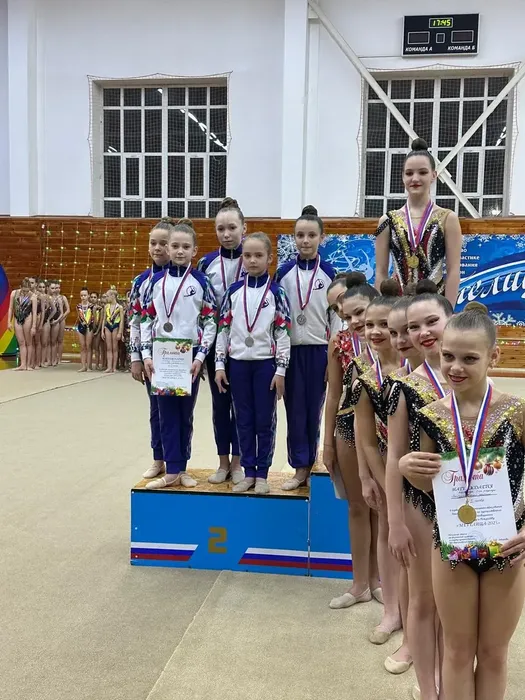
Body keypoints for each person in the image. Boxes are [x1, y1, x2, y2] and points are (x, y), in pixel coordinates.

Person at [400, 306, 525, 700]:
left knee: (493, 653)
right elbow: (429, 486)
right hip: (451, 544)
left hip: (507, 547)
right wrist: (408, 469)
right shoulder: (430, 416)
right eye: (448, 356)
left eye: (469, 358)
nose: (455, 367)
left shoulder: (517, 412)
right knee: (456, 651)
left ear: (493, 356)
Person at [386, 280, 453, 700]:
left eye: (431, 322)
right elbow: (394, 456)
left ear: (451, 319)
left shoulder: (470, 377)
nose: (423, 332)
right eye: (414, 327)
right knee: (425, 600)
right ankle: (428, 688)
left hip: (467, 503)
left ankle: (451, 679)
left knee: (455, 605)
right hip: (420, 503)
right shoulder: (404, 387)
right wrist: (395, 523)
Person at [141, 220, 217, 490]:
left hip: (189, 355)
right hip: (162, 354)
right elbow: (146, 319)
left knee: (185, 413)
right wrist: (146, 354)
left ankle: (182, 468)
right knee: (166, 414)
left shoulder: (201, 282)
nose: (180, 251)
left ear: (195, 250)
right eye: (175, 246)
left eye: (186, 247)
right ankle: (171, 469)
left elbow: (211, 320)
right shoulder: (155, 282)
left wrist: (200, 356)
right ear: (168, 249)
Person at [215, 232, 291, 494]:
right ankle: (248, 472)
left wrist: (281, 370)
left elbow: (283, 333)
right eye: (247, 255)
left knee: (264, 421)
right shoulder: (233, 292)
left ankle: (262, 474)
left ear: (269, 258)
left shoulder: (277, 293)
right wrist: (220, 365)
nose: (252, 260)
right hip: (238, 364)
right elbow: (223, 330)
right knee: (243, 420)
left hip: (265, 365)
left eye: (258, 255)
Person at [324, 275, 382, 610]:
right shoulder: (340, 343)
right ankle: (360, 583)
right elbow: (333, 394)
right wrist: (327, 443)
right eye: (347, 316)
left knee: (382, 507)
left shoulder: (390, 336)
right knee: (358, 506)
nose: (355, 321)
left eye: (360, 312)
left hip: (386, 427)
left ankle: (380, 580)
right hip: (348, 426)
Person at [353, 281, 405, 649]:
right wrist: (370, 478)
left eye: (383, 324)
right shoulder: (364, 373)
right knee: (387, 531)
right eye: (369, 324)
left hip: (420, 467)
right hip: (385, 465)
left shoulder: (417, 367)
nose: (374, 331)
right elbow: (366, 436)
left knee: (417, 539)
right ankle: (391, 611)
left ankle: (419, 611)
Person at [275, 205, 339, 490]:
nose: (305, 240)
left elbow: (337, 319)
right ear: (294, 237)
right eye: (300, 235)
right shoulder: (283, 273)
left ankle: (311, 464)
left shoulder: (330, 273)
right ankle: (299, 467)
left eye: (311, 235)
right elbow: (277, 316)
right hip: (290, 351)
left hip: (318, 351)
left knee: (314, 410)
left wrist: (332, 358)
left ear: (321, 238)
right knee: (295, 411)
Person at [375, 138, 462, 309]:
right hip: (396, 306)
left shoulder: (448, 218)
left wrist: (448, 311)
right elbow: (380, 271)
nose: (415, 178)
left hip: (434, 305)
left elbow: (453, 271)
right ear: (402, 177)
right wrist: (380, 311)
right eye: (409, 173)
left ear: (433, 175)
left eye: (422, 172)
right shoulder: (386, 221)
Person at [198, 197, 245, 484]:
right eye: (220, 229)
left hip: (245, 345)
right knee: (220, 406)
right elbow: (200, 308)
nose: (226, 234)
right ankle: (222, 461)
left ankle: (238, 463)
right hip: (216, 344)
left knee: (240, 406)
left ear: (243, 228)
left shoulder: (252, 257)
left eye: (232, 228)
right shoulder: (206, 263)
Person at [129, 218, 172, 480]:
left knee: (179, 413)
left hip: (177, 355)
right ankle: (158, 458)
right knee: (156, 409)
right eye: (153, 243)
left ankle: (178, 462)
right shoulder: (140, 281)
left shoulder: (183, 279)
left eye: (163, 243)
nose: (157, 248)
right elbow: (135, 321)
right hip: (150, 356)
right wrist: (136, 357)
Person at [7, 277, 38, 371]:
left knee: (28, 342)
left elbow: (34, 312)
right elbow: (10, 308)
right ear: (20, 287)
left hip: (28, 318)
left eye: (27, 290)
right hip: (17, 318)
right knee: (21, 342)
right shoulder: (14, 293)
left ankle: (28, 365)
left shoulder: (33, 296)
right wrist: (9, 322)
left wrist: (33, 326)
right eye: (24, 290)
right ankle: (23, 364)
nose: (25, 292)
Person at [102, 288, 124, 374]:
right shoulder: (106, 306)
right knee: (108, 348)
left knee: (115, 348)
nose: (106, 298)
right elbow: (104, 319)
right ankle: (109, 367)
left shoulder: (120, 307)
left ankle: (114, 367)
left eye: (107, 296)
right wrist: (102, 331)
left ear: (113, 296)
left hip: (115, 326)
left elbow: (121, 321)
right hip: (107, 326)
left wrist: (120, 333)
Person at [76, 288, 93, 372]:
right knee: (82, 346)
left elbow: (93, 317)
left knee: (88, 346)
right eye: (81, 295)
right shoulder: (78, 306)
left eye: (85, 295)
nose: (83, 297)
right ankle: (83, 366)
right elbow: (79, 317)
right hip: (81, 326)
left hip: (89, 326)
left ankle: (89, 366)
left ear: (88, 296)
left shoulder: (92, 306)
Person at [48, 280, 63, 366]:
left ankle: (54, 359)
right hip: (47, 321)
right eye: (52, 288)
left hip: (55, 321)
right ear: (48, 288)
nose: (54, 290)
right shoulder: (46, 298)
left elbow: (61, 313)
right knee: (47, 342)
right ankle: (48, 359)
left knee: (53, 342)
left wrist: (57, 321)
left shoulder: (59, 300)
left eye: (55, 288)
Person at [55, 282, 71, 363]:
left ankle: (59, 359)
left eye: (58, 287)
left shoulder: (63, 297)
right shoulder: (49, 297)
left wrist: (62, 317)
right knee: (53, 340)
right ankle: (53, 358)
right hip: (53, 319)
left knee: (60, 340)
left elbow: (68, 310)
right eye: (56, 288)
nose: (57, 289)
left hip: (61, 320)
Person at [40, 280, 52, 367]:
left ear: (46, 288)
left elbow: (54, 309)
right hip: (37, 320)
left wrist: (49, 318)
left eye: (43, 287)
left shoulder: (47, 297)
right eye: (40, 287)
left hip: (45, 320)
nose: (42, 289)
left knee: (44, 342)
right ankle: (36, 361)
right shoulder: (35, 296)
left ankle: (42, 361)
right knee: (37, 342)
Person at [90, 292, 103, 371]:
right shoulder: (88, 307)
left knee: (96, 348)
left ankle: (97, 364)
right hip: (89, 329)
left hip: (97, 329)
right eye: (91, 297)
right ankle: (89, 364)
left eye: (94, 297)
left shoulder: (100, 308)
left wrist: (97, 331)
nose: (93, 299)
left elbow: (100, 321)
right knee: (89, 348)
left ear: (97, 299)